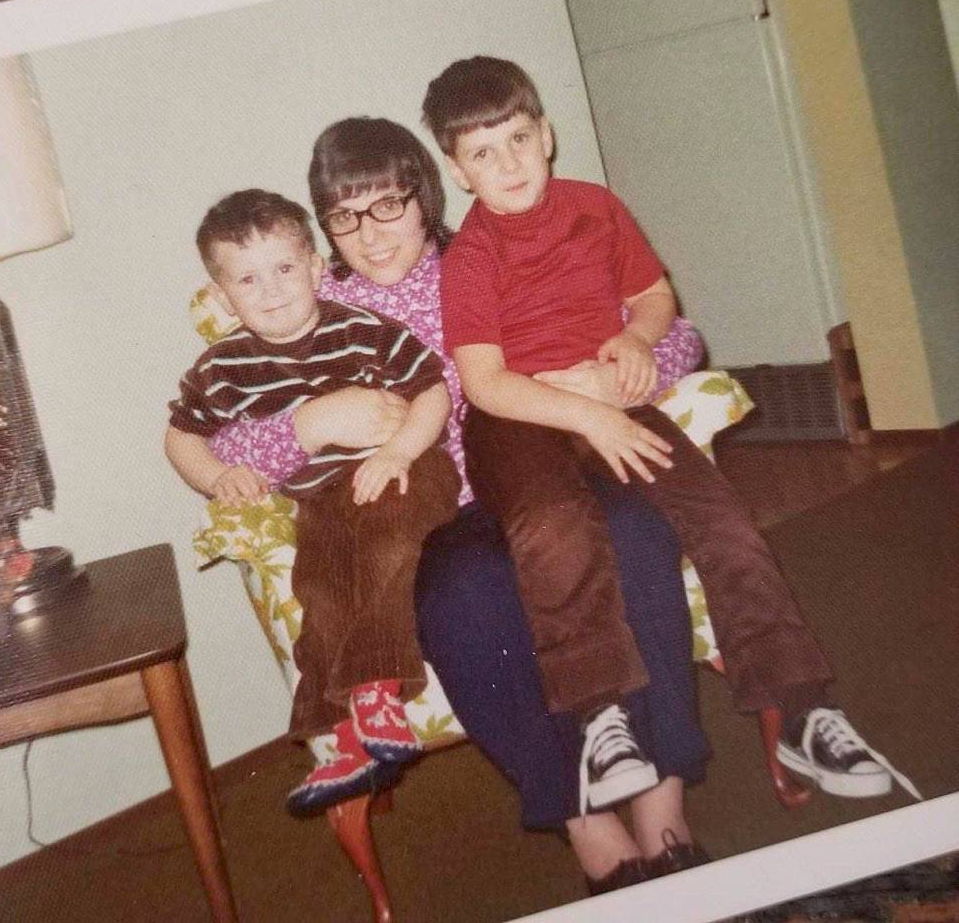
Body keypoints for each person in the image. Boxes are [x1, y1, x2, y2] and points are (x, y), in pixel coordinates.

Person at [205, 118, 712, 892]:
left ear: (425, 198)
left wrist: (615, 377)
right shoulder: (307, 306)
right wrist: (310, 422)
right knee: (460, 597)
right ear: (321, 231)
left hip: (553, 473)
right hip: (441, 516)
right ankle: (585, 823)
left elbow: (675, 337)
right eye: (344, 217)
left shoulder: (486, 262)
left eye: (388, 206)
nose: (370, 236)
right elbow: (223, 441)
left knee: (635, 534)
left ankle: (662, 803)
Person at [422, 54, 920, 810]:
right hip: (519, 417)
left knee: (718, 517)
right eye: (483, 153)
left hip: (614, 399)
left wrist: (637, 340)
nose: (509, 163)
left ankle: (802, 708)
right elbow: (485, 383)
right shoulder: (469, 259)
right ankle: (601, 720)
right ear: (459, 172)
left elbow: (654, 296)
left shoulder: (597, 208)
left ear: (547, 135)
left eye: (519, 138)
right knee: (554, 524)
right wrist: (587, 413)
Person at [165, 189, 462, 814]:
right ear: (223, 296)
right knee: (320, 586)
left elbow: (432, 390)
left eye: (284, 268)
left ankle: (377, 690)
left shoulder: (362, 329)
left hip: (406, 475)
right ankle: (342, 738)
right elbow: (180, 438)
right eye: (248, 279)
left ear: (315, 267)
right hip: (322, 500)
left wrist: (399, 451)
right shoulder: (222, 368)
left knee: (386, 547)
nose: (271, 290)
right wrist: (218, 476)